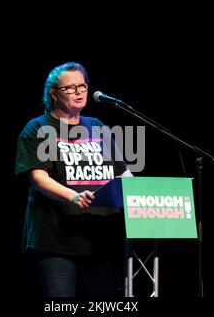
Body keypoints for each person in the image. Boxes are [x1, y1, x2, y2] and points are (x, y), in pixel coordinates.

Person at [15, 62, 132, 297]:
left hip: (99, 239)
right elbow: (38, 177)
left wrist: (142, 194)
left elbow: (123, 173)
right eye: (70, 88)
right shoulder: (37, 128)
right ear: (54, 94)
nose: (79, 92)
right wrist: (73, 196)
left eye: (82, 86)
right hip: (57, 240)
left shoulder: (97, 126)